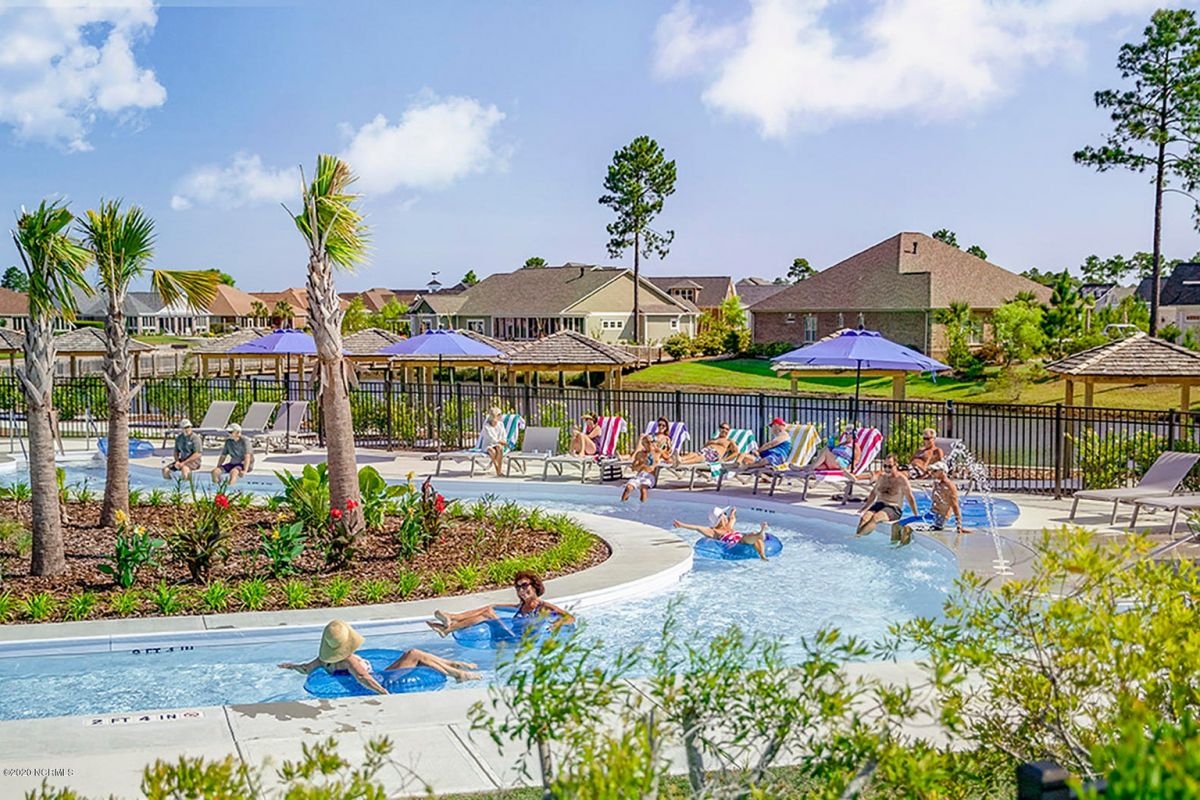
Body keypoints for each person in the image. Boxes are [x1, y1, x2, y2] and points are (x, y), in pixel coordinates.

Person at [279, 620, 480, 693]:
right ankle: (457, 674)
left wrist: (291, 666)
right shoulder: (349, 660)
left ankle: (452, 664)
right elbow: (363, 677)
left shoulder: (324, 660)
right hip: (383, 679)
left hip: (377, 676)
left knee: (414, 655)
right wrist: (383, 692)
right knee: (414, 654)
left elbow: (305, 668)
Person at [426, 571, 574, 637]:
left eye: (524, 585)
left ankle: (450, 625)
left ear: (535, 586)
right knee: (489, 609)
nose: (521, 590)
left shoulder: (543, 607)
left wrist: (557, 624)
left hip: (521, 642)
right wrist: (493, 606)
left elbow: (570, 618)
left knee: (488, 614)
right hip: (509, 637)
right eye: (518, 587)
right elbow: (494, 607)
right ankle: (451, 620)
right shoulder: (519, 607)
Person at [673, 506, 770, 561]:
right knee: (750, 537)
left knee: (754, 537)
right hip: (735, 545)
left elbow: (732, 518)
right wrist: (682, 525)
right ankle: (760, 533)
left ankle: (762, 555)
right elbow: (697, 528)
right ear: (720, 519)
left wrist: (733, 512)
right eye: (724, 514)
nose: (725, 516)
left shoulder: (729, 526)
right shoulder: (714, 531)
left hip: (743, 540)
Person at [856, 453, 918, 537]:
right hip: (879, 505)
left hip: (893, 508)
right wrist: (865, 507)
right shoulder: (882, 477)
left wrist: (916, 515)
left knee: (875, 518)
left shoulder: (901, 480)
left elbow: (910, 498)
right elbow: (873, 493)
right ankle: (859, 536)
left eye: (890, 466)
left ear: (896, 465)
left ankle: (857, 537)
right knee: (864, 518)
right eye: (885, 466)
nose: (887, 469)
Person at [927, 461, 966, 534]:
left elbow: (955, 505)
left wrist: (959, 525)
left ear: (942, 471)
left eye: (935, 471)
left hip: (940, 519)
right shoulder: (938, 483)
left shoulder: (949, 486)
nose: (931, 473)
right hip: (933, 515)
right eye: (932, 471)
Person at [622, 433, 658, 502]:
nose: (650, 444)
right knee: (628, 487)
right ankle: (622, 505)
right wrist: (642, 465)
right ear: (643, 444)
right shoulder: (639, 454)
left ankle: (642, 506)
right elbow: (633, 468)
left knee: (643, 489)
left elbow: (669, 460)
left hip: (650, 476)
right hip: (639, 475)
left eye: (651, 442)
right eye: (647, 442)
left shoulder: (657, 453)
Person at [479, 406, 508, 477]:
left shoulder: (501, 424)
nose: (500, 416)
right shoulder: (486, 426)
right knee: (492, 451)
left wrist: (503, 441)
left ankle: (499, 471)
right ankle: (498, 469)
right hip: (488, 445)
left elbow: (504, 435)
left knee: (499, 448)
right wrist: (500, 441)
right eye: (499, 415)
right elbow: (491, 438)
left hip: (498, 444)